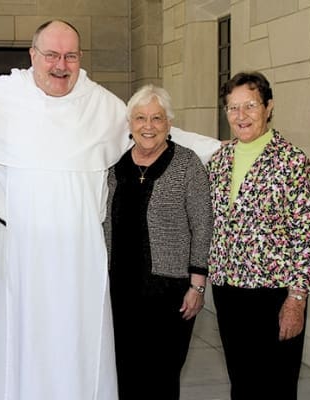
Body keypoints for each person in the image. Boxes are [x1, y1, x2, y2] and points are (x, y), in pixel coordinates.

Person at [0, 19, 217, 400]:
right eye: (51, 55)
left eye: (70, 56)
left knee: (77, 344)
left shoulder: (102, 106)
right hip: (21, 257)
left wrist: (225, 147)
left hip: (81, 259)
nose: (60, 65)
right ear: (32, 55)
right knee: (22, 345)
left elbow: (155, 131)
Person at [207, 71, 310, 400]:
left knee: (277, 386)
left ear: (268, 107)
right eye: (232, 108)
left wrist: (297, 299)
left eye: (250, 106)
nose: (240, 116)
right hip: (228, 290)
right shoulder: (219, 161)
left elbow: (305, 234)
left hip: (275, 294)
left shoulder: (291, 161)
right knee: (241, 383)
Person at [107, 84, 213, 400]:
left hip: (170, 293)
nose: (148, 126)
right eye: (140, 118)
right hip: (121, 291)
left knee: (163, 376)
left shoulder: (187, 163)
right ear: (130, 124)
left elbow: (203, 224)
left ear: (169, 123)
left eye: (157, 118)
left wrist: (197, 286)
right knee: (125, 373)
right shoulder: (115, 165)